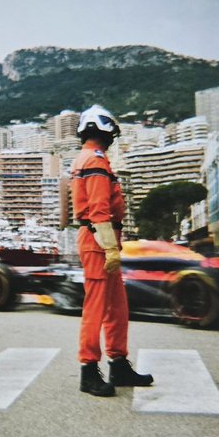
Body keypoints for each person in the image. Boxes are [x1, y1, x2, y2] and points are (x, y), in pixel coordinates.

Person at [71, 105, 153, 396]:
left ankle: (118, 364)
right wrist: (109, 248)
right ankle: (89, 370)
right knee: (96, 308)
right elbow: (98, 210)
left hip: (104, 243)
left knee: (117, 307)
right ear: (106, 130)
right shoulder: (93, 160)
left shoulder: (94, 159)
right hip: (99, 244)